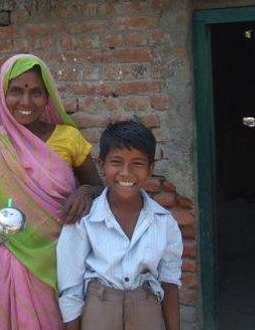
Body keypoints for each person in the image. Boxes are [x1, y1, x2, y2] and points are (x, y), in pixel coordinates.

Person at [0, 53, 103, 330]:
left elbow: (100, 188)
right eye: (16, 91)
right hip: (13, 264)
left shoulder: (68, 138)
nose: (26, 102)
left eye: (36, 92)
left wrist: (86, 191)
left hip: (65, 262)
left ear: (47, 96)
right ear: (3, 94)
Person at [57, 120, 183, 330]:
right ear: (101, 164)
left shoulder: (163, 221)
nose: (126, 172)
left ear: (150, 168)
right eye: (116, 162)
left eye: (137, 163)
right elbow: (70, 287)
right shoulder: (84, 220)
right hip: (99, 310)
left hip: (147, 311)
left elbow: (169, 282)